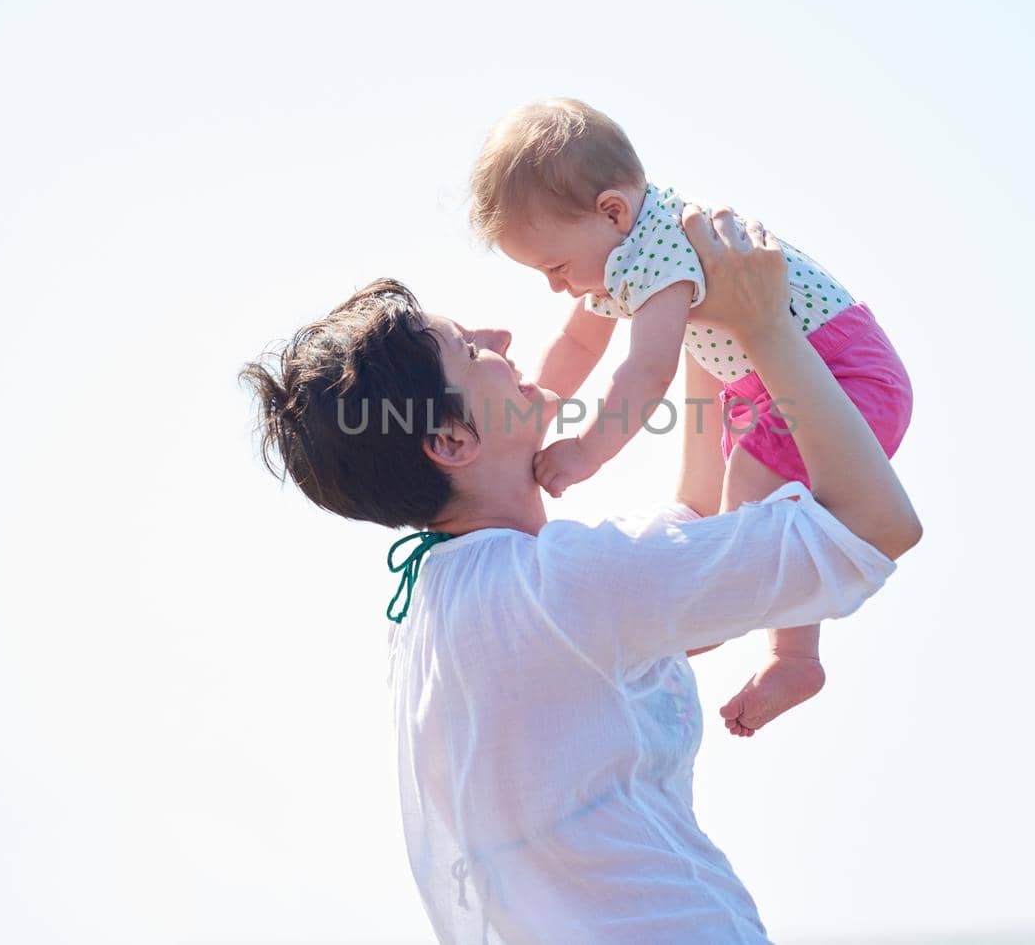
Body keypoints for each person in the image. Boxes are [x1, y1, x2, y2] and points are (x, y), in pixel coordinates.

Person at [240, 207, 921, 943]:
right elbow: (877, 527)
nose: (502, 339)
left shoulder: (461, 600)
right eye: (469, 351)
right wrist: (768, 330)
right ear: (451, 439)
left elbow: (692, 524)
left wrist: (697, 313)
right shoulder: (560, 588)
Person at [468, 97, 914, 735]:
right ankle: (793, 653)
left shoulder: (659, 252)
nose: (557, 287)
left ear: (612, 211)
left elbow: (646, 371)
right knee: (765, 496)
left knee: (754, 494)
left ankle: (741, 624)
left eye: (557, 267)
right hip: (773, 377)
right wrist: (539, 399)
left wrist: (586, 451)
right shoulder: (622, 248)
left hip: (842, 369)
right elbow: (579, 344)